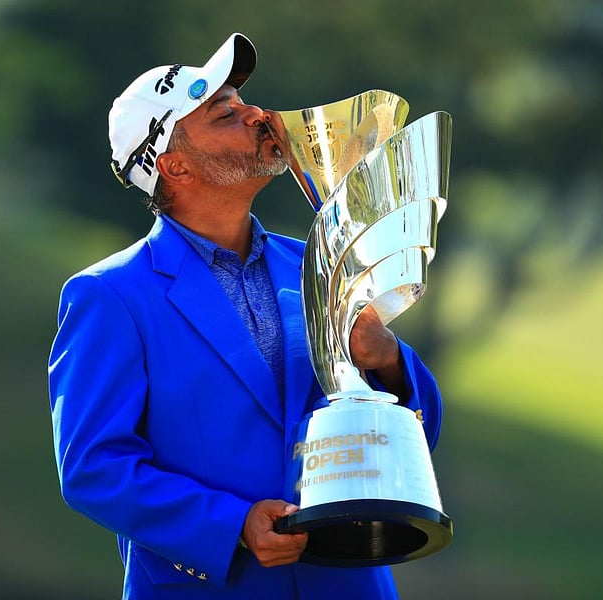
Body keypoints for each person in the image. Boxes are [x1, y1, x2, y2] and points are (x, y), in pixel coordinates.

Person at [48, 32, 443, 599]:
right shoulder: (109, 295)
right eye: (224, 112)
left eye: (244, 102)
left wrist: (391, 363)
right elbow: (93, 466)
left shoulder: (322, 261)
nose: (256, 114)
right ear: (174, 166)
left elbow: (415, 438)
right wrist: (231, 525)